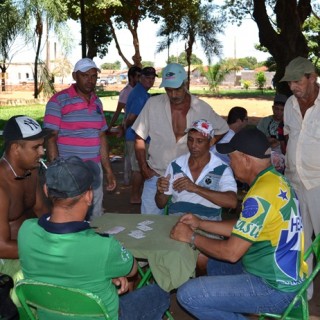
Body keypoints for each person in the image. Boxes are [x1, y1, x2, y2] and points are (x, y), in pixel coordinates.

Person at [170, 128, 307, 319]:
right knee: (214, 265)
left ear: (246, 159)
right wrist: (200, 223)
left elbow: (231, 253)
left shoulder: (259, 195)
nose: (230, 164)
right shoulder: (275, 180)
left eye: (232, 158)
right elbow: (243, 226)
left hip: (274, 288)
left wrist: (191, 237)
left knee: (188, 295)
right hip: (284, 276)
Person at [18, 156, 170, 320]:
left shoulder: (26, 230)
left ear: (46, 190)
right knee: (159, 293)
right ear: (89, 196)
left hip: (51, 314)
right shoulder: (104, 246)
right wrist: (110, 267)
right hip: (104, 316)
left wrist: (106, 270)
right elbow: (132, 269)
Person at [132, 63, 229, 214]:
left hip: (188, 180)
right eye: (168, 90)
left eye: (177, 89)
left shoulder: (201, 108)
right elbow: (139, 137)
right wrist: (144, 168)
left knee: (182, 228)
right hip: (156, 176)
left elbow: (222, 128)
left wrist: (205, 146)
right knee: (149, 226)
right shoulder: (152, 104)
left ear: (185, 83)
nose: (173, 95)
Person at [43, 57, 116, 219]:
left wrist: (108, 171)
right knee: (69, 212)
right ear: (75, 76)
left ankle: (92, 241)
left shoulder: (97, 102)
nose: (90, 80)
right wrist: (57, 170)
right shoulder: (58, 101)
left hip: (94, 168)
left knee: (95, 211)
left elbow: (102, 136)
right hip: (70, 170)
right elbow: (51, 137)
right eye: (85, 76)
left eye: (93, 76)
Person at [280, 56, 320, 297]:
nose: (293, 87)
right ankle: (304, 296)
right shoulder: (289, 105)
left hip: (318, 183)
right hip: (294, 182)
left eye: (297, 81)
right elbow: (288, 137)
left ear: (312, 77)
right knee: (300, 242)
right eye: (289, 83)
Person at [156, 119, 237, 220]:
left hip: (208, 226)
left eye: (200, 141)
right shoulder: (176, 165)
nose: (193, 145)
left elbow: (232, 202)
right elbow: (161, 204)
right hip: (177, 222)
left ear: (211, 142)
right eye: (190, 140)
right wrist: (160, 191)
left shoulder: (222, 168)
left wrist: (195, 188)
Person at [0, 115, 49, 278]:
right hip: (5, 260)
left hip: (29, 248)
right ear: (15, 148)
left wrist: (64, 233)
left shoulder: (30, 170)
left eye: (42, 146)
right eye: (36, 147)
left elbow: (42, 210)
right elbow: (2, 247)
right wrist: (49, 248)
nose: (42, 152)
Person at [124, 67, 157, 204]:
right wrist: (126, 125)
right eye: (147, 78)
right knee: (139, 168)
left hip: (136, 135)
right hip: (137, 136)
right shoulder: (140, 94)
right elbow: (132, 116)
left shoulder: (140, 92)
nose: (151, 80)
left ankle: (136, 195)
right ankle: (135, 196)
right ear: (140, 78)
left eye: (152, 78)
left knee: (138, 167)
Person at [107, 66, 141, 185]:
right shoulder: (126, 92)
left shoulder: (140, 90)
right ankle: (128, 180)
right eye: (137, 76)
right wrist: (110, 127)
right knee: (129, 156)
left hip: (141, 129)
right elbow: (117, 111)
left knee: (138, 155)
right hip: (130, 129)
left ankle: (135, 180)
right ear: (131, 77)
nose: (140, 78)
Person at [257, 93, 287, 173]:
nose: (279, 112)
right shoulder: (264, 121)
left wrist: (279, 143)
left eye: (282, 110)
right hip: (266, 153)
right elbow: (257, 139)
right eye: (277, 109)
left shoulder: (288, 123)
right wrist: (267, 140)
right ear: (272, 108)